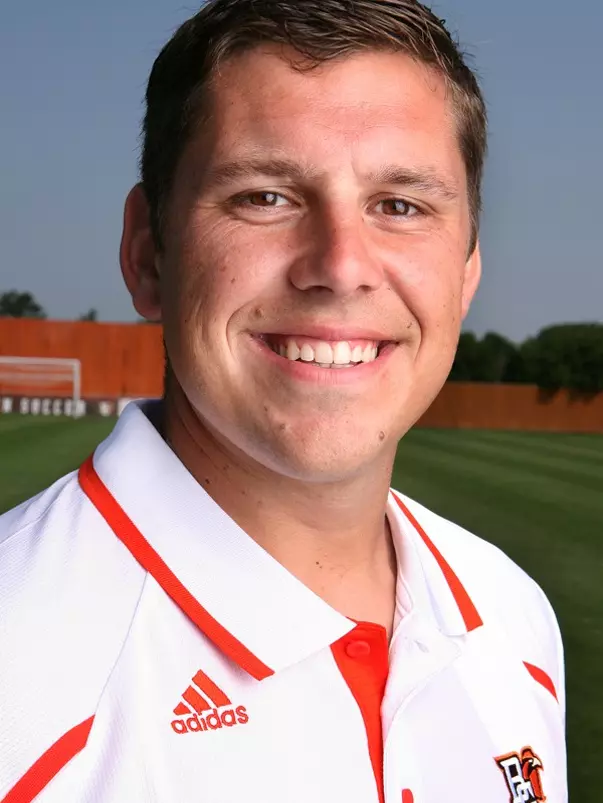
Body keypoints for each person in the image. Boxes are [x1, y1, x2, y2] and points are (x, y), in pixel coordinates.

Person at [0, 1, 567, 801]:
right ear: (146, 252)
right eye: (265, 196)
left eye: (399, 205)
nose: (340, 265)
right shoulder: (15, 679)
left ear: (467, 270)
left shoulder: (511, 615)